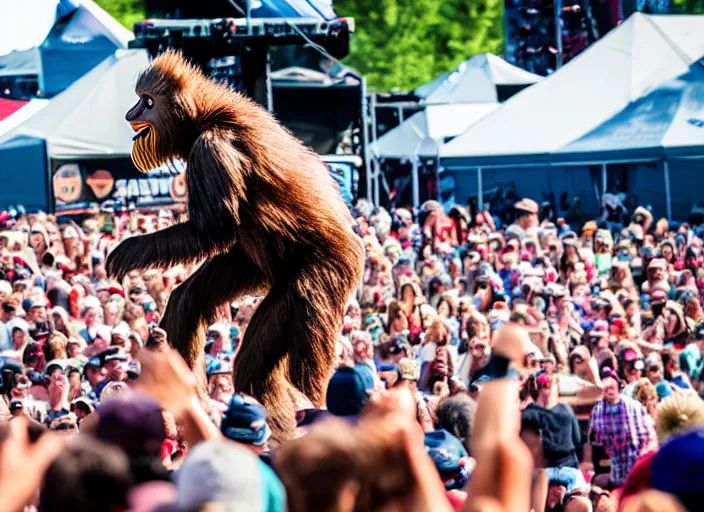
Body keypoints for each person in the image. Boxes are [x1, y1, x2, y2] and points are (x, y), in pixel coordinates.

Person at [588, 371, 658, 488]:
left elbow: (598, 442)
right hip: (634, 476)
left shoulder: (600, 410)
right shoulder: (600, 411)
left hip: (632, 477)